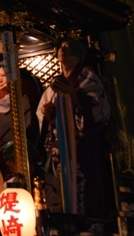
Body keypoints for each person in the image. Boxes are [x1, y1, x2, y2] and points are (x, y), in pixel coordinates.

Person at [36, 39, 110, 217]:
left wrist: (72, 96)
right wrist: (48, 115)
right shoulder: (52, 87)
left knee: (83, 194)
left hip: (80, 148)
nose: (63, 49)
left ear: (78, 56)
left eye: (68, 47)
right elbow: (45, 122)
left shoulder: (87, 77)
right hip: (58, 150)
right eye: (61, 46)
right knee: (58, 194)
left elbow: (96, 111)